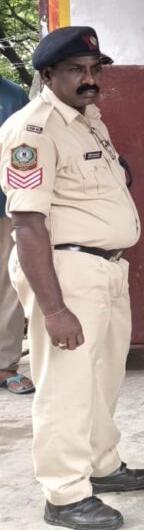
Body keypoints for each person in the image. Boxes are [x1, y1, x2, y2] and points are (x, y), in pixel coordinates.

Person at [1, 27, 144, 530]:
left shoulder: (88, 121)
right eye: (75, 70)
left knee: (103, 376)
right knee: (66, 386)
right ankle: (65, 494)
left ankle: (100, 464)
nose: (90, 79)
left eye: (94, 69)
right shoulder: (33, 131)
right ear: (48, 75)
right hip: (66, 271)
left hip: (105, 267)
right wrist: (54, 309)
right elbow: (27, 224)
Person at [1, 76, 33, 395]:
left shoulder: (14, 96)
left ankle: (5, 365)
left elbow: (27, 150)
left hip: (5, 207)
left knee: (8, 287)